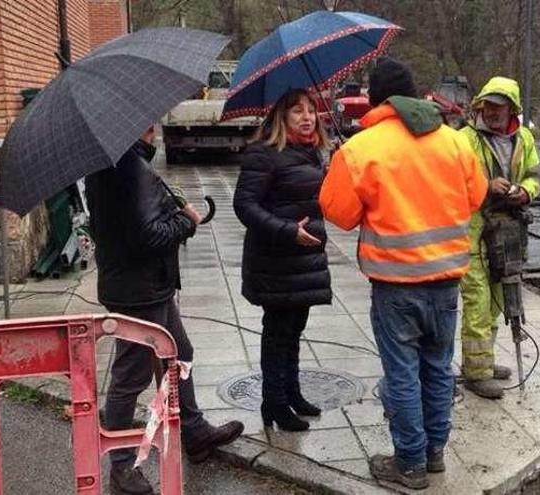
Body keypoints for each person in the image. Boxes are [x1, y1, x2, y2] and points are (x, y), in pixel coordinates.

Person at [319, 58, 487, 490]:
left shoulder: (361, 148)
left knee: (403, 374)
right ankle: (434, 454)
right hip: (447, 282)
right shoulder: (455, 142)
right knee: (437, 368)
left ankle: (409, 464)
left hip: (395, 288)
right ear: (415, 96)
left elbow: (339, 214)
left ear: (377, 100)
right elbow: (476, 196)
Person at [86, 124, 244, 495]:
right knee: (131, 376)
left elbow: (132, 225)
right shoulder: (129, 169)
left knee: (180, 354)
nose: (155, 127)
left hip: (142, 285)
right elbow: (149, 236)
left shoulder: (113, 164)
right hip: (139, 289)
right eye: (150, 121)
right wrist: (186, 221)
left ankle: (193, 430)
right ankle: (122, 467)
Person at [233, 89, 332, 432]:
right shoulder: (265, 153)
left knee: (294, 329)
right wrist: (286, 230)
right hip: (276, 260)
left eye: (311, 110)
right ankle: (273, 402)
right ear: (281, 117)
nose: (307, 117)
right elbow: (244, 206)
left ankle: (292, 392)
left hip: (303, 261)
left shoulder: (312, 154)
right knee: (278, 332)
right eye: (297, 112)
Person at [458, 77, 540, 399]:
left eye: (498, 106)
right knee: (477, 301)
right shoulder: (464, 139)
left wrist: (524, 192)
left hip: (507, 232)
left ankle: (484, 361)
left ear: (512, 109)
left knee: (495, 301)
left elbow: (534, 176)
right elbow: (454, 183)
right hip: (473, 233)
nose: (492, 111)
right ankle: (476, 373)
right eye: (487, 105)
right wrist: (485, 187)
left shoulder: (525, 139)